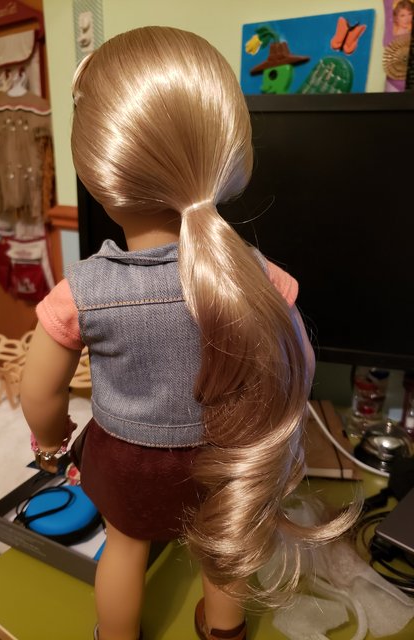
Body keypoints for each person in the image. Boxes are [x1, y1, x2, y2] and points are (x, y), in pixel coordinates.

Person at [21, 26, 357, 640]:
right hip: (219, 455)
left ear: (98, 171)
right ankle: (224, 630)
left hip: (125, 461)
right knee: (220, 550)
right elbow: (299, 365)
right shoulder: (255, 275)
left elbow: (38, 389)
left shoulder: (84, 289)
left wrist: (51, 442)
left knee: (125, 547)